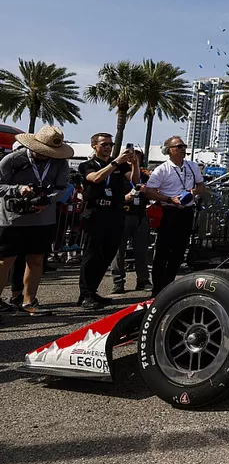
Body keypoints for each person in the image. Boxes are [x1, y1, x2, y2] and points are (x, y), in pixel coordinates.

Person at [0, 126, 71, 319]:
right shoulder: (13, 160)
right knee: (4, 261)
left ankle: (29, 301)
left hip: (42, 218)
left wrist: (47, 200)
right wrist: (18, 189)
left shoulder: (60, 163)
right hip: (11, 219)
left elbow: (62, 187)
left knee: (37, 260)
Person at [78, 134, 139, 309]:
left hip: (115, 211)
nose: (108, 147)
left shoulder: (120, 165)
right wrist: (115, 163)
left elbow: (134, 180)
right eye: (104, 144)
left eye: (110, 144)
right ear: (94, 146)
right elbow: (96, 178)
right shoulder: (87, 165)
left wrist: (134, 163)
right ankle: (85, 294)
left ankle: (93, 290)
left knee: (107, 253)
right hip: (96, 211)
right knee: (92, 253)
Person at [144, 136, 205, 295]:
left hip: (186, 210)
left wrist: (192, 192)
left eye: (183, 146)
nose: (182, 149)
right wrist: (169, 199)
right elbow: (149, 191)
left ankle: (169, 285)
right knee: (163, 250)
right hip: (169, 210)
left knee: (179, 250)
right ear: (169, 150)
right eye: (178, 146)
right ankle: (157, 289)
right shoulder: (162, 169)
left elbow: (201, 186)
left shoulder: (192, 166)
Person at [111, 149, 151, 293]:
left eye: (136, 159)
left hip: (140, 215)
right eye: (129, 159)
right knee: (118, 252)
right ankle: (118, 282)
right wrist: (124, 197)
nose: (132, 161)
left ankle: (143, 280)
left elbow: (154, 189)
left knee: (141, 250)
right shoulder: (117, 173)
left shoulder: (145, 175)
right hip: (122, 214)